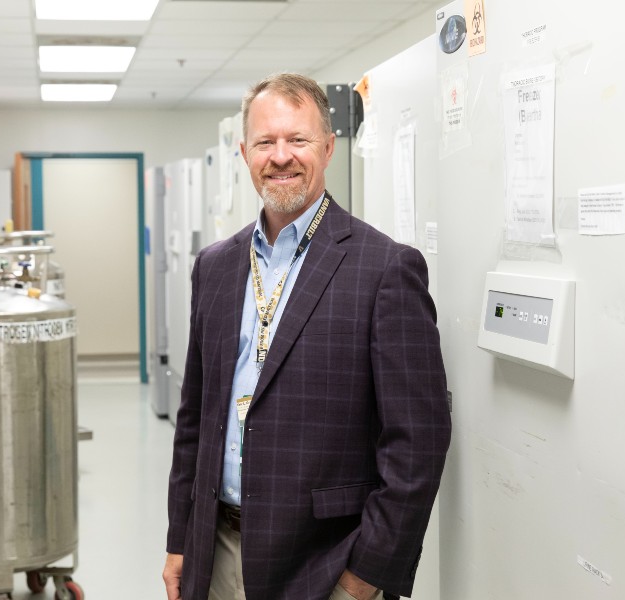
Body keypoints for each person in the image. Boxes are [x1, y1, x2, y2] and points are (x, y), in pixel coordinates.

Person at [163, 73, 451, 600]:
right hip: (217, 549)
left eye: (297, 140)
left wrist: (365, 576)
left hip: (325, 562)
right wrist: (181, 537)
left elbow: (417, 442)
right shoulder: (216, 267)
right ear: (244, 151)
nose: (280, 157)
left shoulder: (385, 268)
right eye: (265, 142)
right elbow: (194, 419)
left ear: (328, 147)